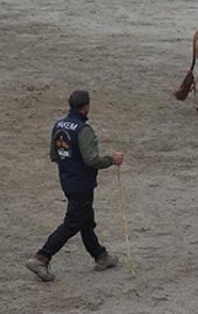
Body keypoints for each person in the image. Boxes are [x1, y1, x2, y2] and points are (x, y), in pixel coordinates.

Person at [26, 90, 123, 282]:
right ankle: (41, 257)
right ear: (85, 106)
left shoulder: (59, 125)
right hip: (82, 183)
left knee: (85, 220)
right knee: (73, 222)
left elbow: (54, 155)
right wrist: (112, 160)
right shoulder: (83, 130)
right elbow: (91, 160)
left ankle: (100, 256)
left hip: (67, 180)